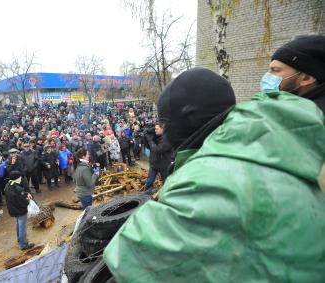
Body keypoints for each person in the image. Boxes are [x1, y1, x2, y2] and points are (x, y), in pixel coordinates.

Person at [104, 39, 325, 282]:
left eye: (165, 124)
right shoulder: (273, 133)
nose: (163, 131)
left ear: (187, 119)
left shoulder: (204, 181)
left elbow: (127, 258)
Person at [4, 171, 34, 250]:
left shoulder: (7, 186)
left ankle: (19, 238)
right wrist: (27, 200)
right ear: (17, 178)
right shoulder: (19, 189)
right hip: (20, 210)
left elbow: (16, 197)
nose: (21, 178)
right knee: (22, 227)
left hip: (13, 210)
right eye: (19, 177)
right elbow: (23, 202)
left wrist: (25, 193)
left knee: (18, 224)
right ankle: (23, 244)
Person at [142, 123, 173, 192]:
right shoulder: (156, 136)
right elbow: (149, 147)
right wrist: (146, 137)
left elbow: (158, 150)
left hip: (164, 166)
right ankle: (144, 195)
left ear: (162, 129)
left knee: (166, 183)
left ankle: (166, 196)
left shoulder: (167, 139)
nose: (155, 130)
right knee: (149, 182)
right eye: (154, 129)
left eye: (156, 129)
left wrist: (150, 140)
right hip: (154, 164)